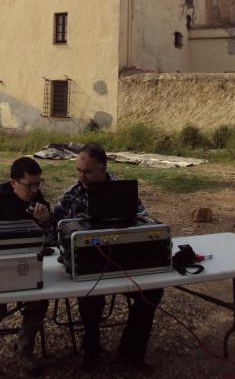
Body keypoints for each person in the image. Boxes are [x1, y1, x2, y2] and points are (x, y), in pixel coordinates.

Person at [54, 143, 163, 375]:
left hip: (125, 262)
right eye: (79, 171)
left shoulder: (123, 190)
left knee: (152, 292)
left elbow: (143, 218)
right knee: (90, 296)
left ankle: (131, 352)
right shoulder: (70, 197)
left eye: (87, 172)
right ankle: (91, 350)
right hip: (89, 267)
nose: (81, 177)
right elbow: (56, 232)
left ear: (103, 169)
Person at [0, 157, 53, 379]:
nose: (35, 190)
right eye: (29, 185)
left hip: (27, 266)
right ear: (13, 183)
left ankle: (25, 349)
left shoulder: (38, 202)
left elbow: (52, 240)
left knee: (39, 301)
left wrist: (46, 221)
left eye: (38, 184)